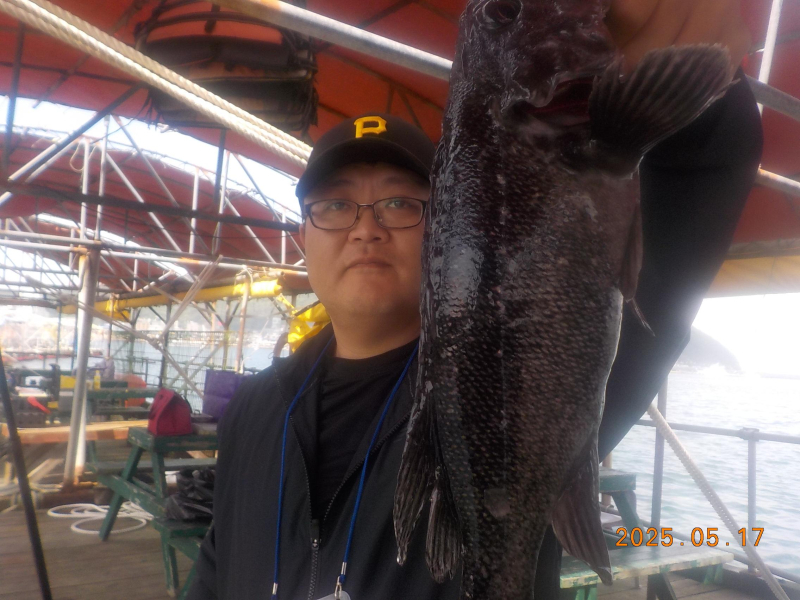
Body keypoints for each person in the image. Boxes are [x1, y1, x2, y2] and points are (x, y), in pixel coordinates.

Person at [187, 2, 762, 598]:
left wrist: (700, 95)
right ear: (302, 237)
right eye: (334, 205)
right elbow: (214, 571)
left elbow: (693, 193)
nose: (366, 228)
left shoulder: (515, 371)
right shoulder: (253, 409)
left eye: (400, 203)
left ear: (450, 230)